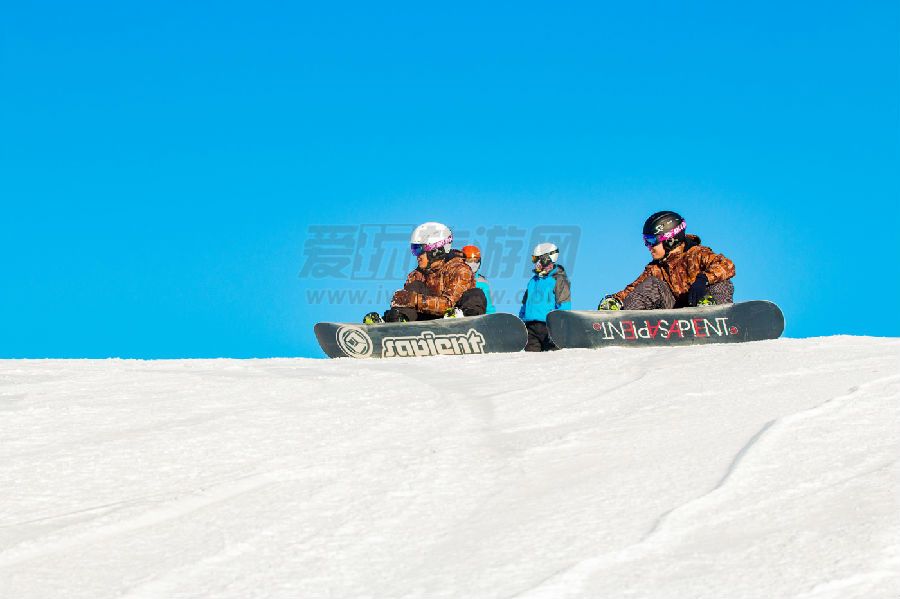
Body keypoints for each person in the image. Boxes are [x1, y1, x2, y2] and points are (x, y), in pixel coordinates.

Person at [597, 211, 735, 311]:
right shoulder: (656, 268)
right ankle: (625, 323)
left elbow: (727, 265)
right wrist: (615, 300)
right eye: (646, 241)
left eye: (651, 241)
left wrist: (703, 279)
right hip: (674, 316)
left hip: (701, 307)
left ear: (670, 239)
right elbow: (633, 290)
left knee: (721, 281)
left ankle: (714, 313)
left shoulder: (697, 254)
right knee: (651, 284)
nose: (648, 246)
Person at [363, 222, 486, 323]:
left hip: (452, 317)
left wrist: (414, 299)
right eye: (414, 249)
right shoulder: (416, 275)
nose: (417, 255)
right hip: (424, 320)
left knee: (475, 294)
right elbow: (409, 302)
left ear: (436, 251)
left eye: (419, 250)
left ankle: (469, 322)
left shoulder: (460, 269)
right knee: (415, 286)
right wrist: (400, 304)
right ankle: (398, 323)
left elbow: (448, 304)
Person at [519, 242, 571, 351]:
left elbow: (564, 305)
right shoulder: (533, 281)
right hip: (530, 328)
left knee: (550, 360)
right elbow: (525, 304)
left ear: (547, 259)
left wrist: (559, 327)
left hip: (549, 328)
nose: (535, 263)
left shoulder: (558, 279)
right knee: (530, 360)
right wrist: (522, 320)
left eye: (537, 259)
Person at [461, 245, 496, 314]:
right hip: (458, 313)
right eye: (470, 260)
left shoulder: (482, 282)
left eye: (476, 261)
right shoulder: (455, 278)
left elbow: (489, 306)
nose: (473, 264)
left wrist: (491, 319)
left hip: (477, 315)